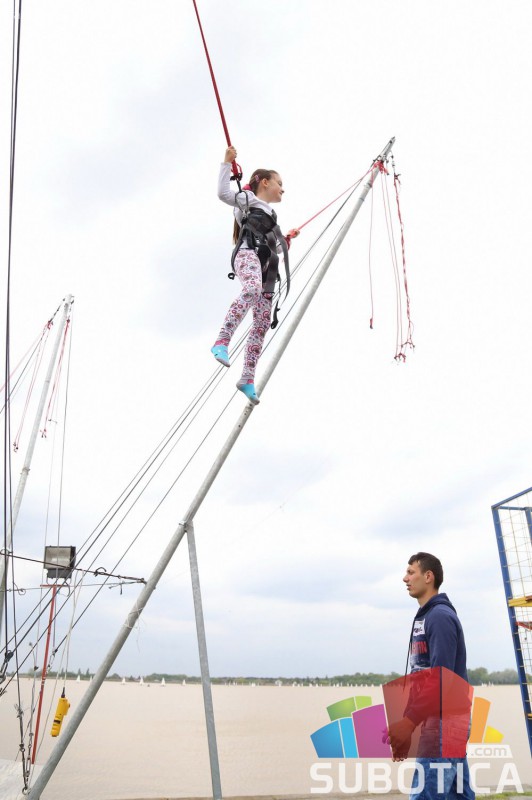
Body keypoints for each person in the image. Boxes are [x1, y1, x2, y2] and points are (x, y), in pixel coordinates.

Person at [211, 146, 298, 405]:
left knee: (261, 323)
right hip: (247, 256)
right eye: (280, 183)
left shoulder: (270, 214)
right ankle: (222, 341)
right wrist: (226, 163)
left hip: (265, 268)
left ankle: (247, 378)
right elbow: (223, 194)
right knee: (251, 289)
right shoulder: (247, 199)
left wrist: (287, 239)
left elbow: (274, 246)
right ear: (265, 182)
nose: (283, 189)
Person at [387, 552, 475, 800]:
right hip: (442, 721)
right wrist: (409, 723)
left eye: (410, 572)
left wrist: (408, 723)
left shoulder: (439, 617)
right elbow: (422, 677)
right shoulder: (426, 616)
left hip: (446, 721)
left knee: (425, 795)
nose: (405, 578)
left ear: (428, 576)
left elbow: (441, 678)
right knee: (458, 795)